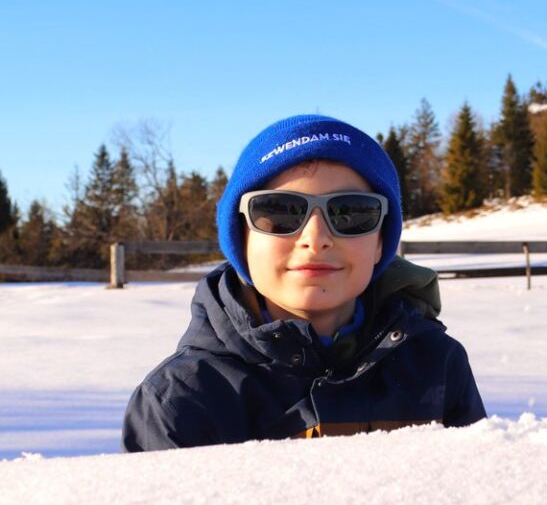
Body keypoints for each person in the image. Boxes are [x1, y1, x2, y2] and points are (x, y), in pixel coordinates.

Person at [122, 114, 485, 451]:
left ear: (380, 244)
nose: (316, 237)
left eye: (352, 212)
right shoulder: (180, 399)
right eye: (279, 212)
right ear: (241, 240)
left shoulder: (436, 365)